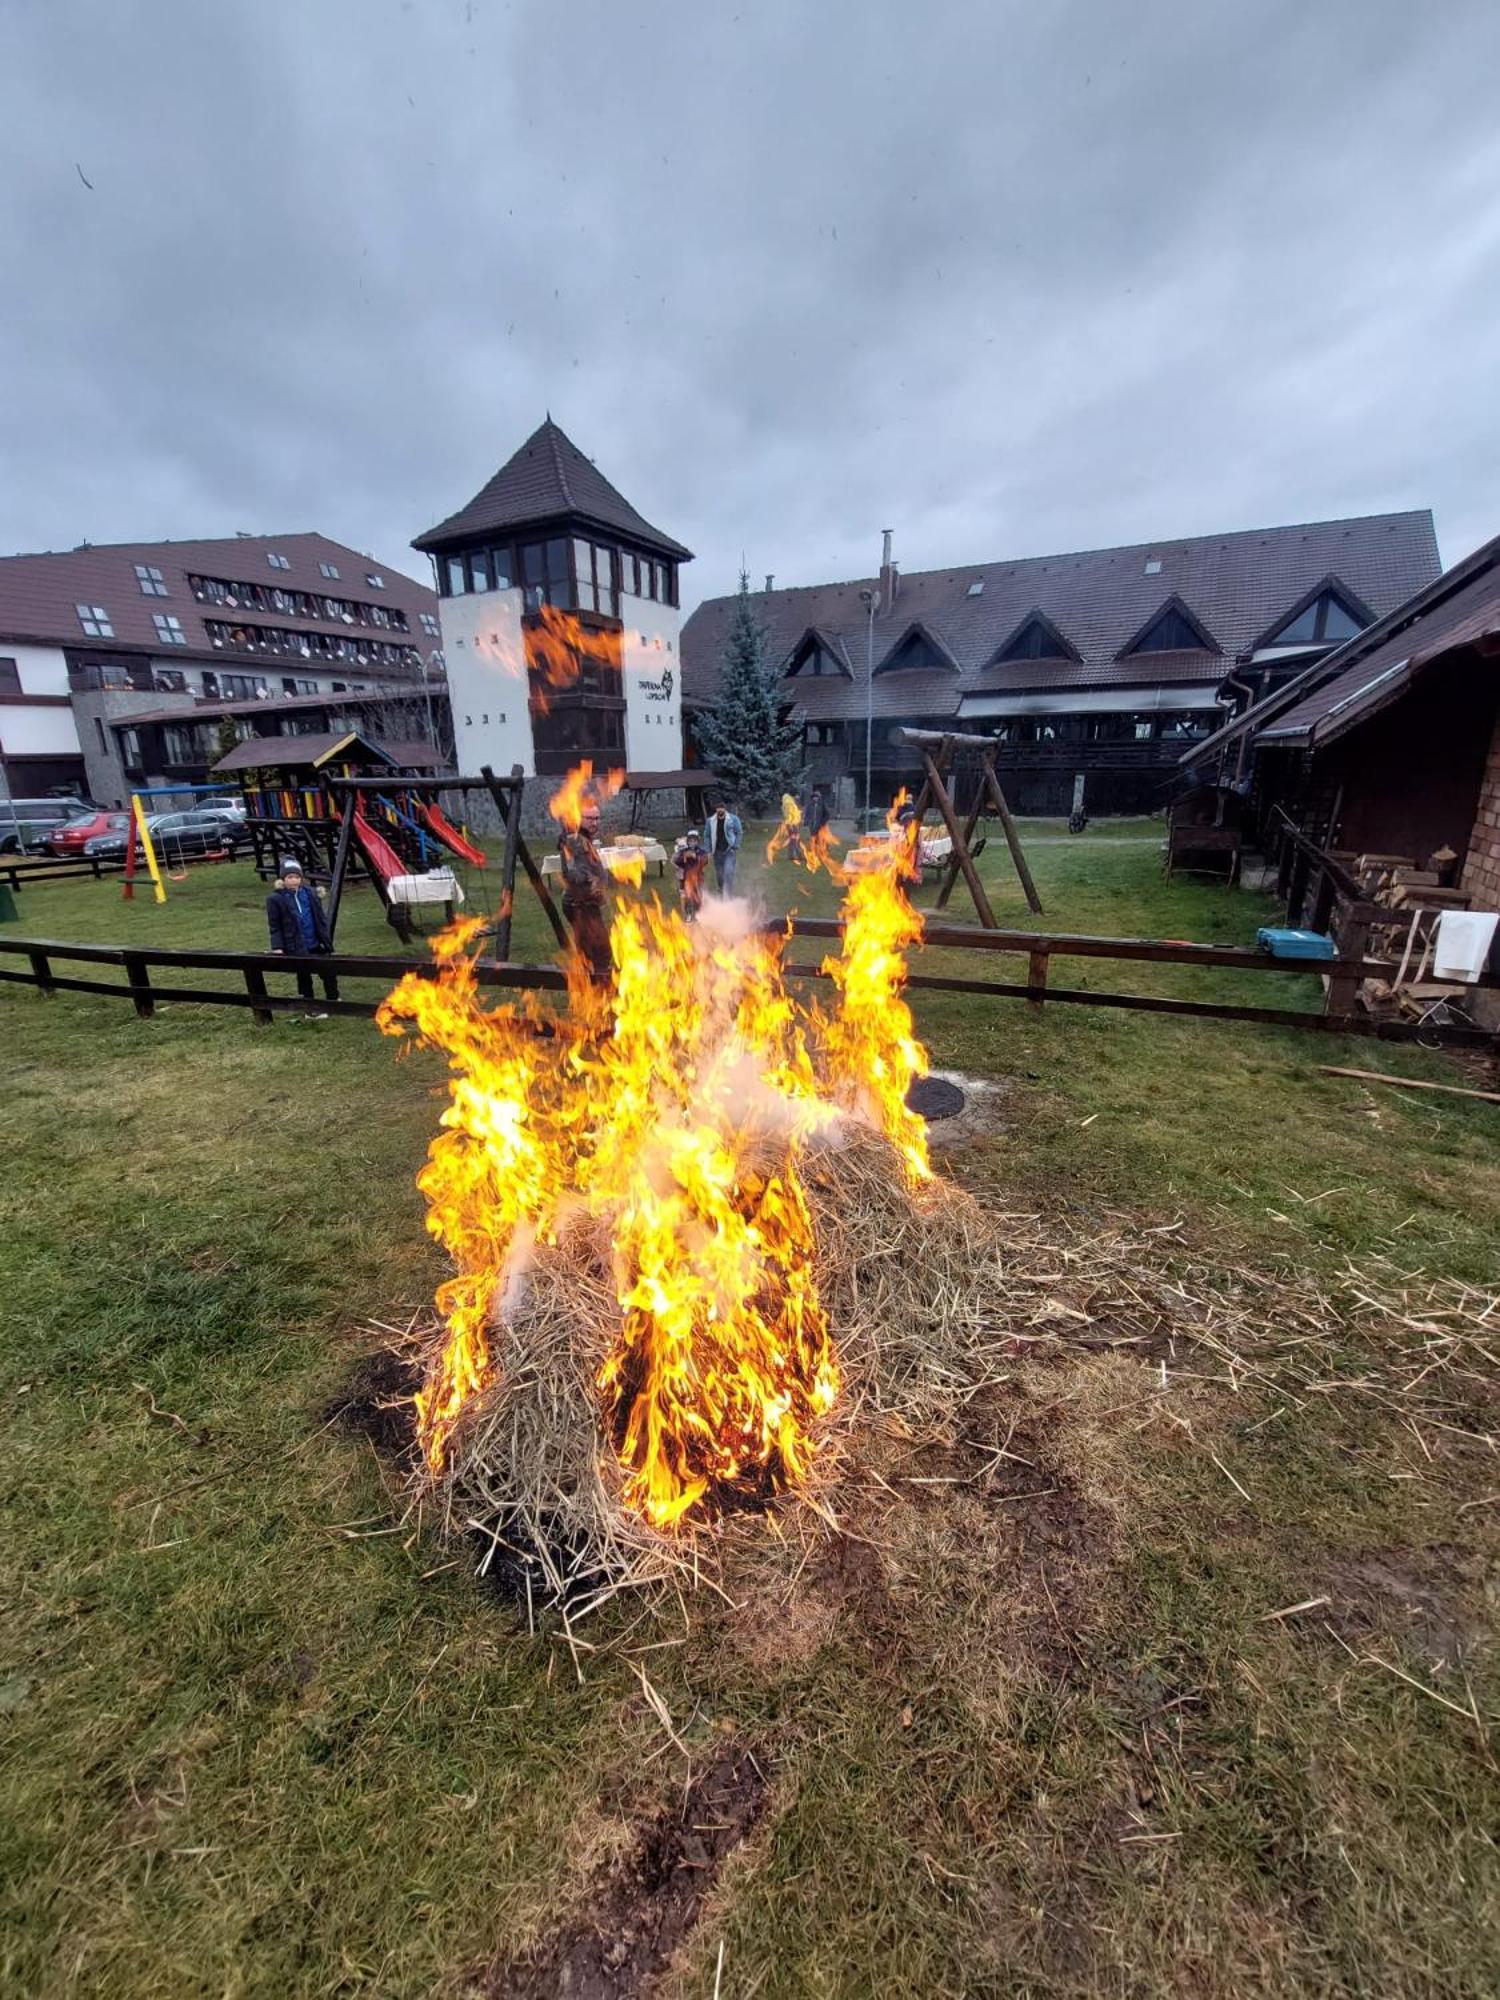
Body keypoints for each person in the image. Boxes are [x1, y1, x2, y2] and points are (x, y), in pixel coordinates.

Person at [265, 858, 338, 1016]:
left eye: (297, 877)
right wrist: (277, 946)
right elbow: (275, 925)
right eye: (290, 877)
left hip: (315, 942)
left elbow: (319, 918)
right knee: (304, 976)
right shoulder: (276, 899)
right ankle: (309, 1008)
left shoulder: (310, 893)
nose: (294, 880)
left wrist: (325, 938)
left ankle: (334, 1000)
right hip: (296, 944)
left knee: (328, 971)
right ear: (282, 879)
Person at [558, 799, 613, 983]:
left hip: (587, 903)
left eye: (597, 818)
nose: (594, 822)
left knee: (594, 950)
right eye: (589, 818)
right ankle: (594, 992)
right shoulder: (574, 840)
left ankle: (592, 991)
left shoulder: (583, 839)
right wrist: (592, 881)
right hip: (579, 904)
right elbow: (574, 873)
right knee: (598, 950)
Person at [704, 799, 743, 894]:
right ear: (716, 810)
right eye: (718, 809)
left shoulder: (733, 819)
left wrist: (735, 845)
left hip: (729, 850)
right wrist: (708, 850)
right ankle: (721, 888)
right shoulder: (710, 821)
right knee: (719, 873)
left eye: (721, 809)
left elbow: (739, 832)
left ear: (725, 809)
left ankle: (728, 891)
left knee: (729, 871)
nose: (720, 811)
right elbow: (707, 835)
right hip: (717, 851)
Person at [673, 827, 708, 921]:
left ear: (697, 841)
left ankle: (699, 915)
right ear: (687, 841)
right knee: (688, 897)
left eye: (694, 841)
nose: (692, 843)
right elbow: (676, 861)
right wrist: (684, 857)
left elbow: (705, 861)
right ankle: (688, 915)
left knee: (698, 897)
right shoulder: (683, 851)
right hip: (686, 880)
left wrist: (696, 857)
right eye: (690, 841)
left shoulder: (701, 852)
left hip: (698, 879)